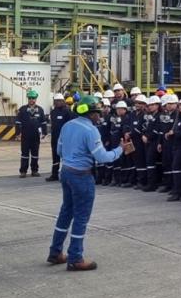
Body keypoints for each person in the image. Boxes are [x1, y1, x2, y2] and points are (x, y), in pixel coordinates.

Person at [47, 97, 131, 271]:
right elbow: (102, 157)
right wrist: (120, 150)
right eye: (97, 114)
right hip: (81, 176)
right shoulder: (91, 130)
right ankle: (75, 258)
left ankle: (55, 252)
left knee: (66, 212)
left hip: (66, 172)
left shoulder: (67, 126)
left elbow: (59, 150)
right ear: (91, 114)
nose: (98, 117)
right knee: (81, 217)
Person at [15, 89, 47, 177]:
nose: (31, 99)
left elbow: (43, 122)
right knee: (24, 154)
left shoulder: (40, 110)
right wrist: (18, 133)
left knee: (35, 154)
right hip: (25, 136)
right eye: (30, 98)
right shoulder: (22, 109)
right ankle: (23, 171)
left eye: (33, 98)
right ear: (28, 98)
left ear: (36, 99)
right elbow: (18, 122)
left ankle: (34, 170)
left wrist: (44, 133)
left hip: (36, 136)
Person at [46, 93, 75, 181]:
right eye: (56, 101)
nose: (57, 102)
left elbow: (71, 125)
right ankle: (54, 174)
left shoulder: (68, 112)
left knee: (66, 157)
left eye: (59, 101)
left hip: (65, 138)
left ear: (63, 101)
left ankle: (66, 175)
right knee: (55, 156)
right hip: (55, 138)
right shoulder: (53, 112)